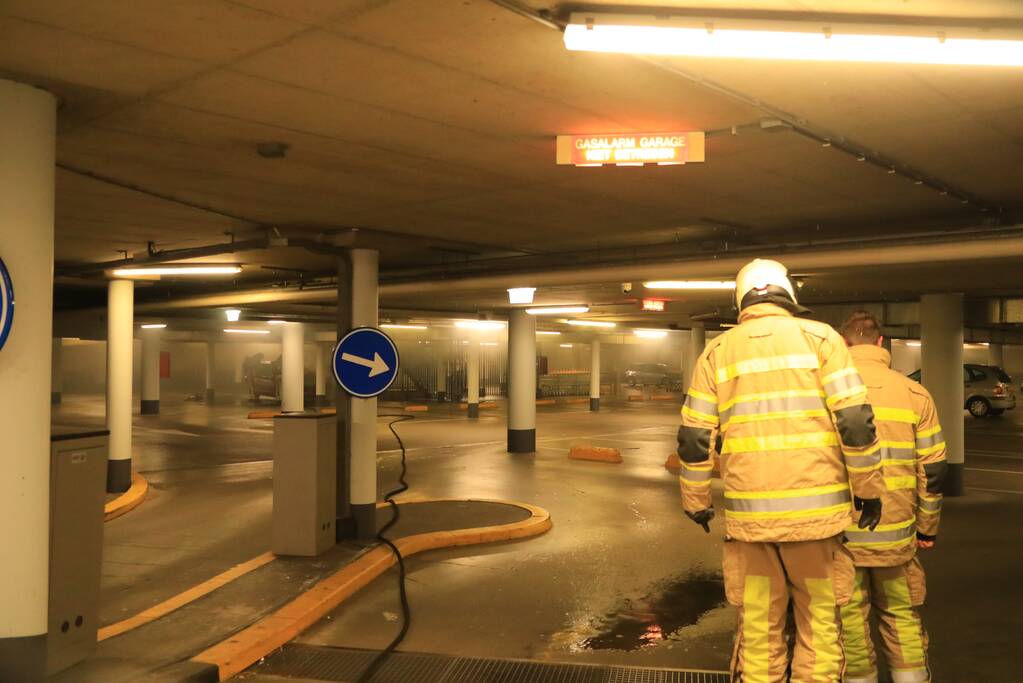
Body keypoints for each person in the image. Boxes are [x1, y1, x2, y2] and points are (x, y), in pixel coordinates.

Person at [678, 258, 886, 682]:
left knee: (758, 631)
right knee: (821, 628)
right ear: (788, 294)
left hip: (751, 528)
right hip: (816, 526)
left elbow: (695, 438)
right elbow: (856, 423)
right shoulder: (823, 339)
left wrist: (696, 501)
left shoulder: (716, 352)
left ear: (742, 299)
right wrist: (869, 490)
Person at [837, 311, 947, 683]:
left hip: (843, 538)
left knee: (849, 621)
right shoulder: (916, 394)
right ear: (882, 343)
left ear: (844, 344)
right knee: (901, 617)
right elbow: (932, 471)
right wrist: (927, 528)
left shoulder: (827, 391)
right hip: (898, 539)